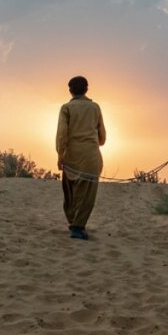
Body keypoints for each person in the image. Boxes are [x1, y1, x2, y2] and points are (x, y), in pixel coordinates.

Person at [56, 76, 106, 240]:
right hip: (91, 158)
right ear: (86, 89)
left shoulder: (66, 108)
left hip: (71, 157)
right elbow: (102, 138)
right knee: (87, 195)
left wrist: (60, 155)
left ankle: (75, 225)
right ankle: (77, 226)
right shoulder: (95, 107)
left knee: (70, 194)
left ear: (70, 90)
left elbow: (62, 135)